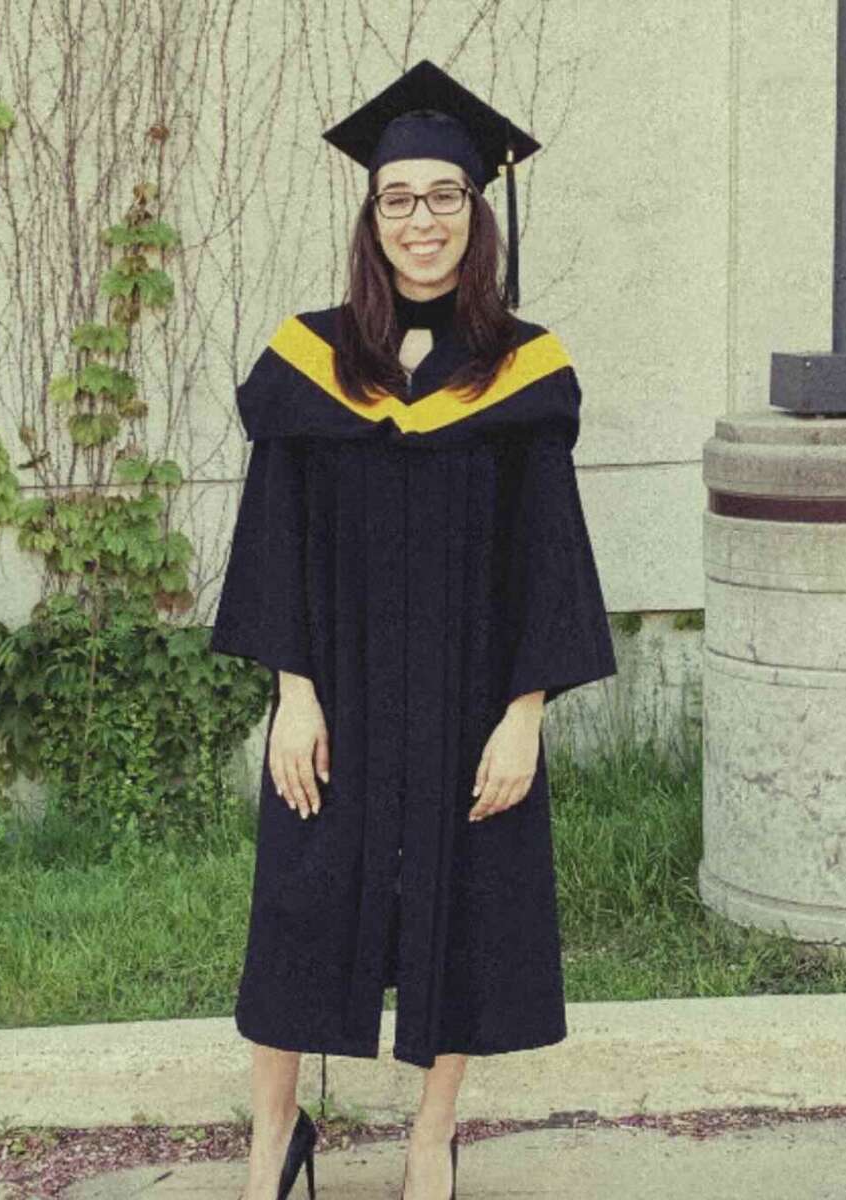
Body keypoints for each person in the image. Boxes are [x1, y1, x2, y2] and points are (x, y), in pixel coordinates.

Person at [209, 59, 618, 1200]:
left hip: (467, 698)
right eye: (400, 198)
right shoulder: (309, 362)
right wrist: (292, 691)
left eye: (444, 196)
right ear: (372, 217)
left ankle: (431, 1136)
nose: (422, 220)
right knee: (298, 900)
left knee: (463, 905)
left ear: (474, 214)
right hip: (335, 692)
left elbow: (551, 556)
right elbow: (273, 536)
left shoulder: (521, 372)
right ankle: (275, 1135)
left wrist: (524, 716)